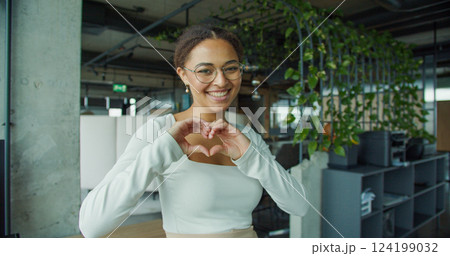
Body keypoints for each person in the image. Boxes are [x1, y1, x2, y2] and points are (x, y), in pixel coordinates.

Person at [78, 24, 309, 238]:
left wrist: (251, 156)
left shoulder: (246, 136)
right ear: (183, 75)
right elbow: (92, 226)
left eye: (230, 68)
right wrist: (162, 150)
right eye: (205, 71)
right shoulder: (159, 131)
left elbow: (299, 206)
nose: (221, 81)